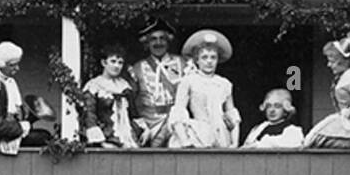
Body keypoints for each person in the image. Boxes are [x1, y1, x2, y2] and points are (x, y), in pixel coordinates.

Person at [167, 30, 240, 148]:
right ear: (197, 60)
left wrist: (234, 142)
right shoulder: (189, 81)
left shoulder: (224, 83)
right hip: (199, 133)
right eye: (204, 57)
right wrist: (185, 140)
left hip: (221, 134)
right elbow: (178, 111)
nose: (209, 61)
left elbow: (232, 115)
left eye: (213, 57)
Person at [129, 18, 192, 147]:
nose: (158, 43)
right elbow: (131, 102)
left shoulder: (182, 63)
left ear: (168, 41)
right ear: (147, 42)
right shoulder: (137, 68)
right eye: (153, 39)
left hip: (176, 123)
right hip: (149, 126)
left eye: (162, 38)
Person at [81, 43, 138, 148]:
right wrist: (101, 142)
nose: (116, 66)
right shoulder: (94, 86)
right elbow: (90, 115)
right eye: (113, 61)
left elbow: (133, 113)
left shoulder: (124, 85)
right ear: (104, 62)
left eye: (120, 63)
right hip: (106, 139)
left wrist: (142, 129)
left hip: (128, 139)